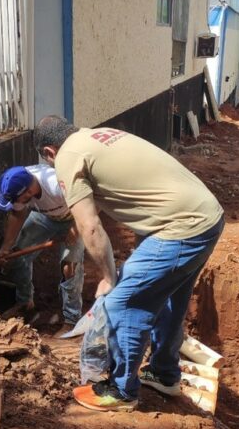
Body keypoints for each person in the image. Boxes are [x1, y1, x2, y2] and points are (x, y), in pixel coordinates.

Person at [33, 116, 224, 411]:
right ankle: (164, 374)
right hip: (206, 217)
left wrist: (109, 277)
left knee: (122, 303)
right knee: (171, 298)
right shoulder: (98, 136)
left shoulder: (68, 156)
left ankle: (122, 391)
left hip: (179, 228)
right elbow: (127, 196)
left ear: (49, 152)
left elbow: (90, 226)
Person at [0, 165, 88, 325]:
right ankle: (25, 303)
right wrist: (5, 247)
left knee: (69, 267)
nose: (15, 203)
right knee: (16, 255)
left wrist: (76, 227)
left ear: (29, 191)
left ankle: (72, 319)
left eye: (16, 200)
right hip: (45, 217)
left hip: (74, 217)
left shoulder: (56, 185)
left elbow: (91, 201)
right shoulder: (18, 186)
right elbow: (17, 215)